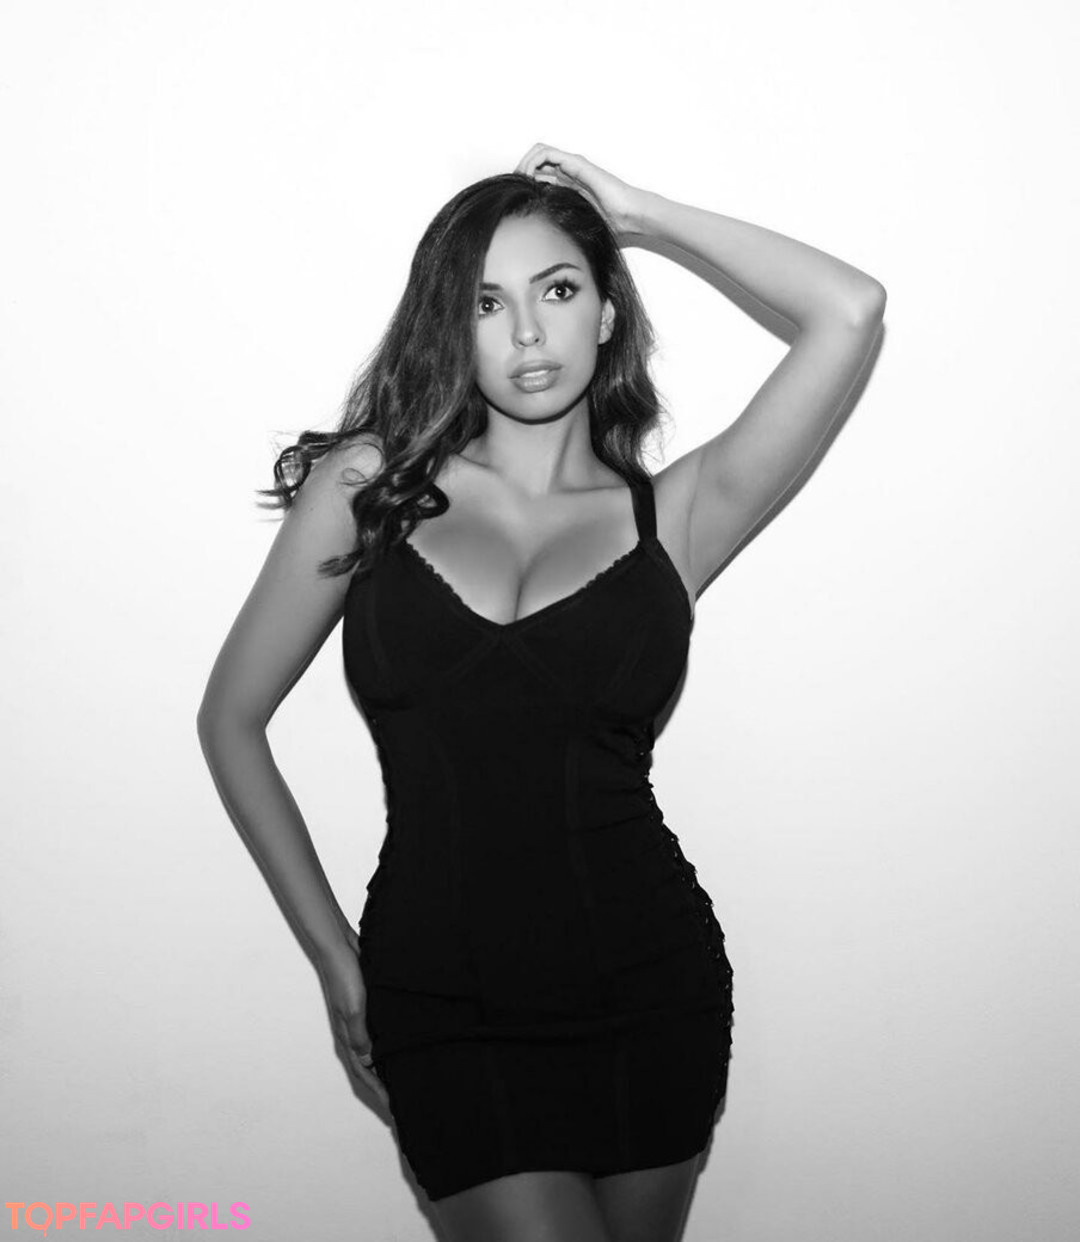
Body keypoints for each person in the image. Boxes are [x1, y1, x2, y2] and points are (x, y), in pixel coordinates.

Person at [197, 143, 886, 1242]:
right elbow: (231, 722)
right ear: (451, 327)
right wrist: (334, 958)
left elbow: (849, 310)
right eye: (487, 303)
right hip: (441, 997)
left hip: (649, 989)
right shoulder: (369, 489)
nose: (526, 333)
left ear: (607, 312)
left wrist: (638, 213)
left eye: (558, 291)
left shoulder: (675, 517)